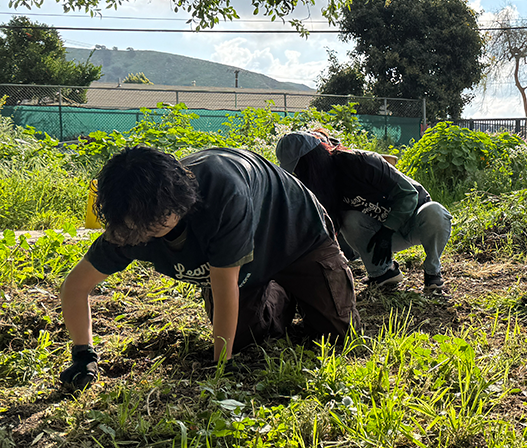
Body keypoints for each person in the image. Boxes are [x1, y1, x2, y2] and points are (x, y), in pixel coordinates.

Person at [58, 146, 358, 391]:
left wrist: (220, 371)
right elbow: (75, 287)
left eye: (157, 218)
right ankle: (278, 292)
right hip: (243, 265)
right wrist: (83, 355)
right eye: (139, 225)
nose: (148, 229)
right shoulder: (129, 225)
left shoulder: (223, 194)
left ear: (178, 197)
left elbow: (224, 284)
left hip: (295, 232)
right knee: (239, 339)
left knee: (340, 336)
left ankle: (297, 283)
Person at [275, 131, 452, 294]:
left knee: (435, 211)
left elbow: (408, 194)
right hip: (382, 238)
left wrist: (387, 230)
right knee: (349, 218)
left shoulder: (361, 162)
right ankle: (383, 273)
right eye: (295, 172)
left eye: (301, 168)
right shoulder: (323, 187)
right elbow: (329, 229)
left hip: (415, 224)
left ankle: (432, 273)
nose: (300, 174)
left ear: (314, 158)